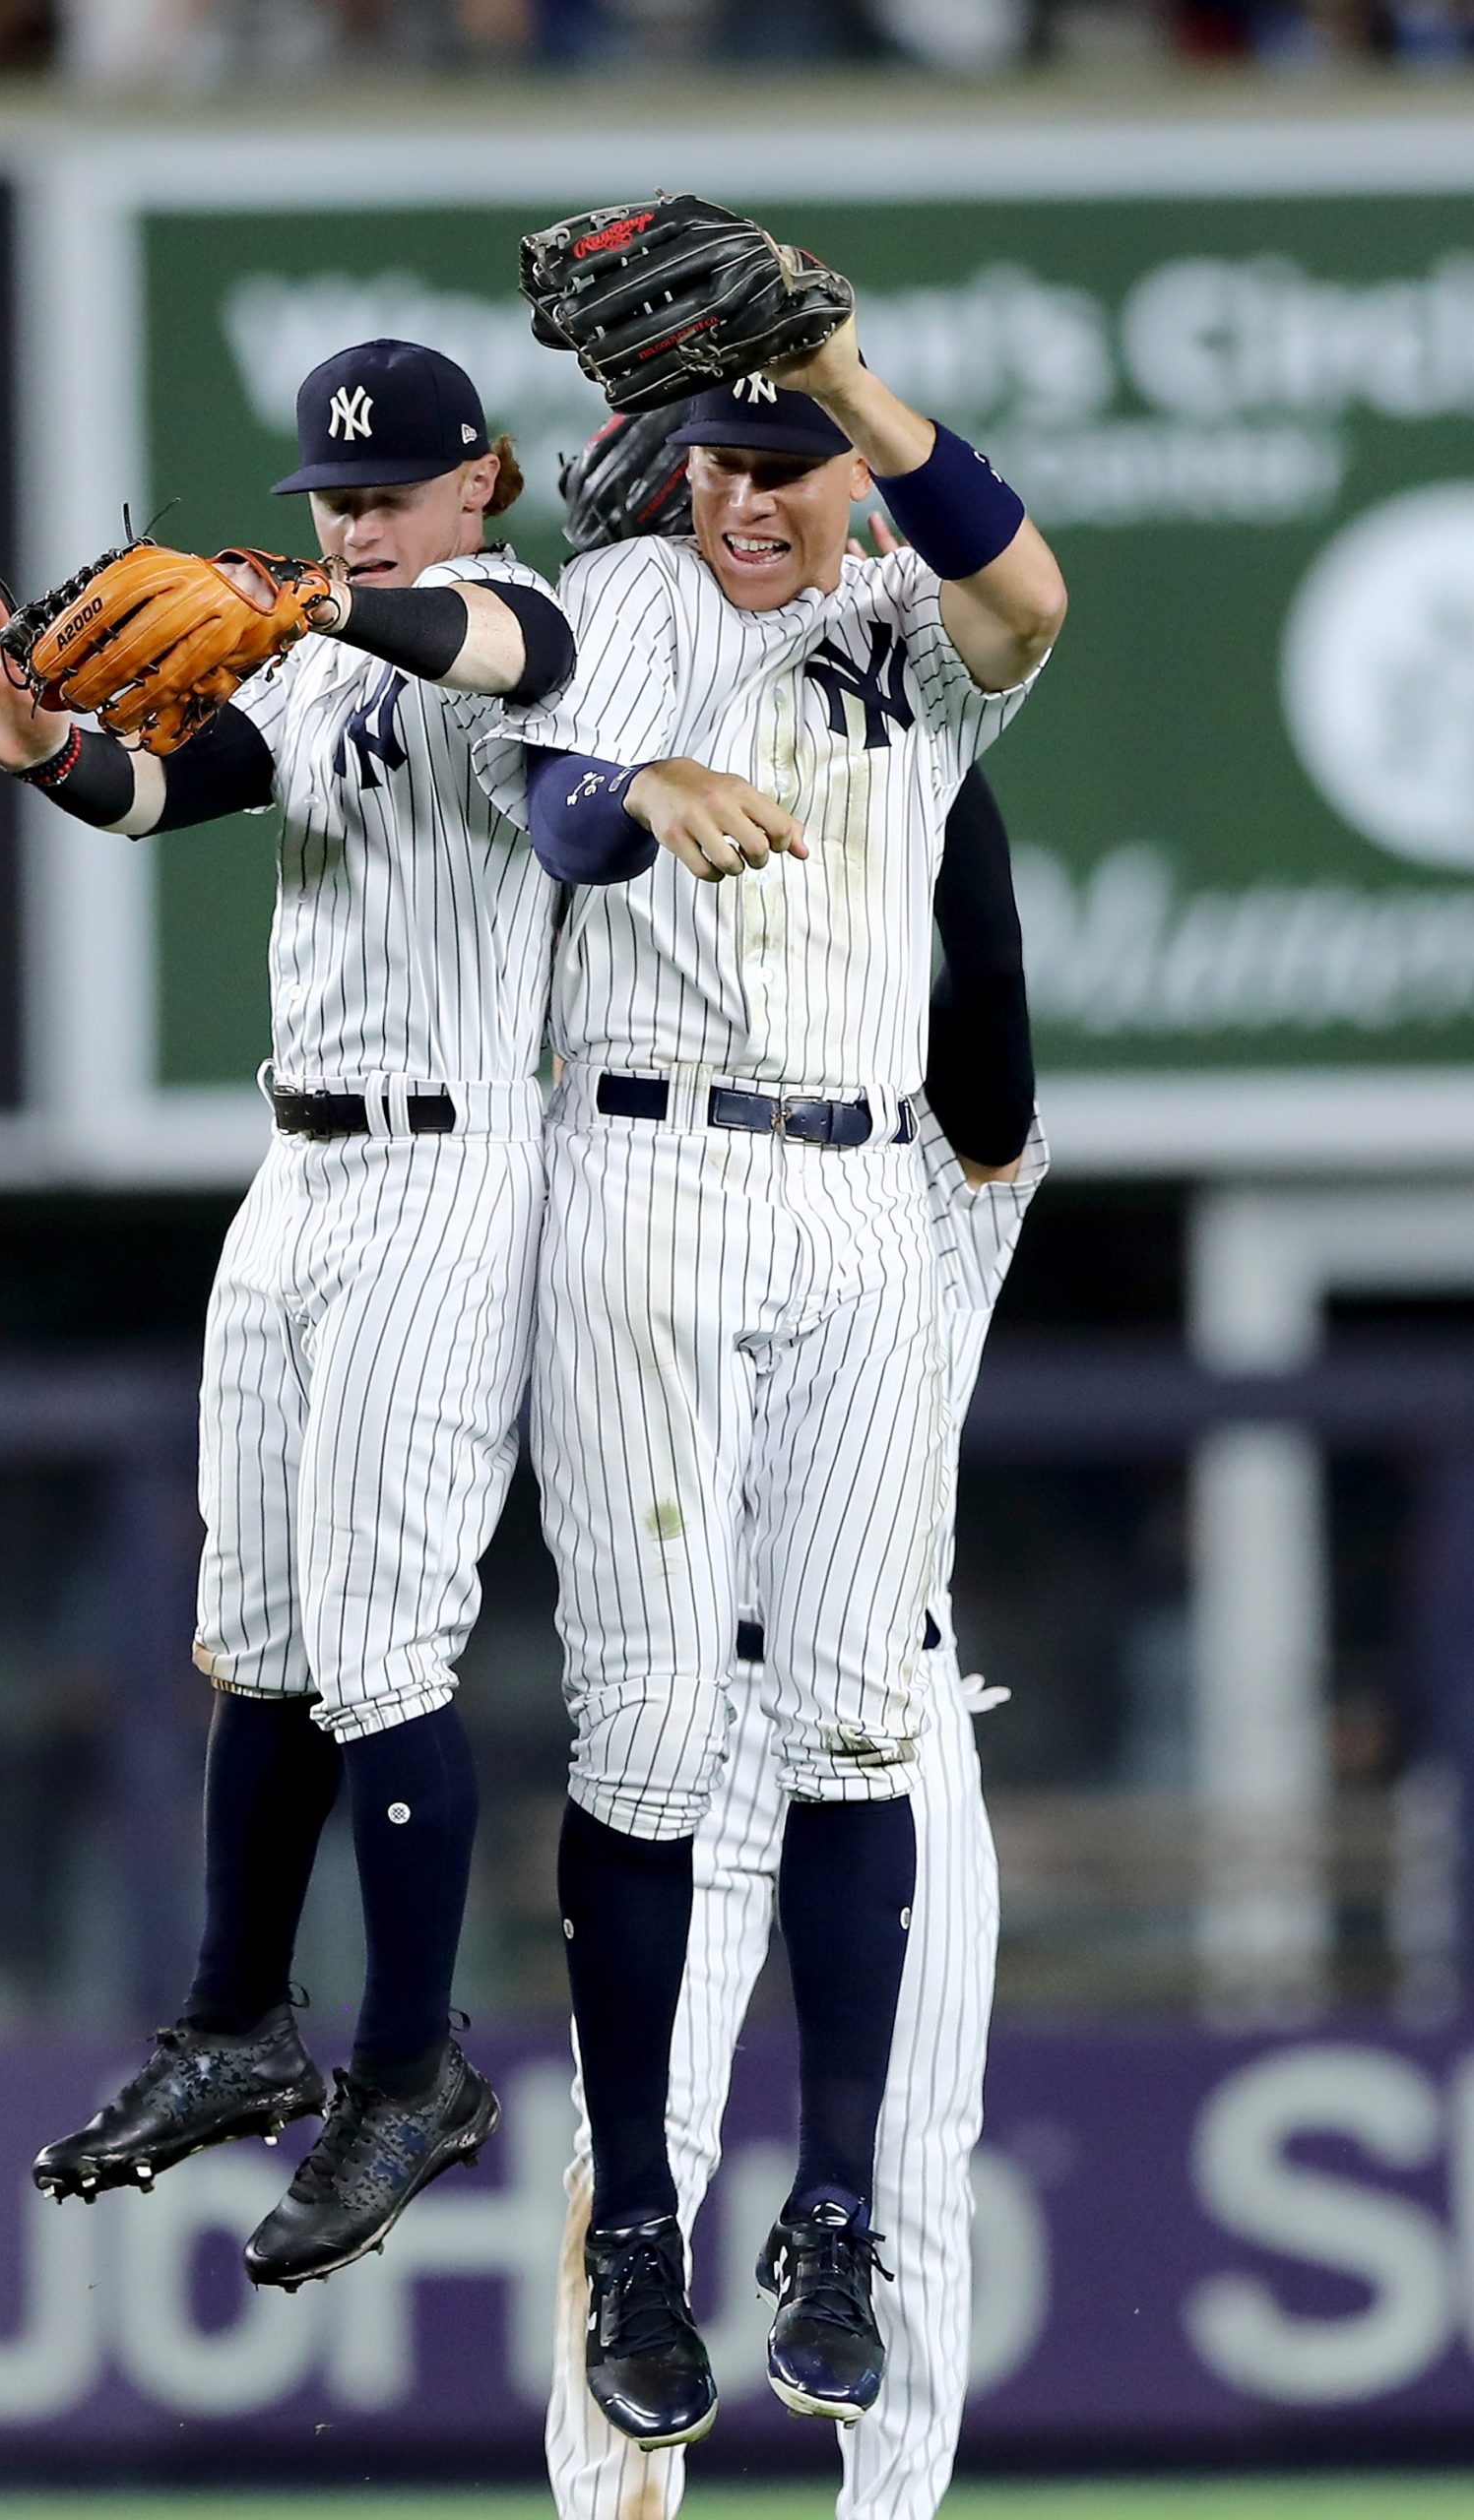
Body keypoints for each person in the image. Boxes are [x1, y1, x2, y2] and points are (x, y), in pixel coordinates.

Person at [0, 339, 576, 2286]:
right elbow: (169, 785)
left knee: (387, 1643)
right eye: (329, 502)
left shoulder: (520, 611)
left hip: (449, 1166)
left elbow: (504, 663)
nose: (350, 520)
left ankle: (411, 2064)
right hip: (296, 1169)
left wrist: (335, 597)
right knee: (264, 1635)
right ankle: (231, 2023)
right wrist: (39, 749)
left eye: (384, 494)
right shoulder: (305, 650)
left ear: (481, 483)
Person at [490, 306, 1066, 2444]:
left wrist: (839, 367)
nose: (744, 491)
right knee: (639, 1766)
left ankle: (822, 2239)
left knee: (917, 2173)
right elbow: (548, 812)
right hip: (645, 1155)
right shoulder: (617, 603)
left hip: (840, 1219)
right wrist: (640, 784)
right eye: (713, 455)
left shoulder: (908, 618)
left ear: (839, 458)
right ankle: (654, 2241)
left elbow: (1017, 607)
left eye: (782, 453)